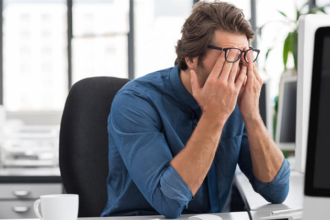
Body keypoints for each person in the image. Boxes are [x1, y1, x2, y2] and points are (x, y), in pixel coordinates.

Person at [101, 1, 290, 218]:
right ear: (191, 58)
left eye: (245, 57)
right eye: (230, 55)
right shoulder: (135, 102)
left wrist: (252, 115)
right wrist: (215, 116)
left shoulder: (237, 100)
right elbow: (168, 203)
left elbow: (277, 190)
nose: (239, 69)